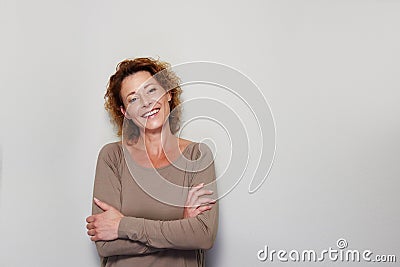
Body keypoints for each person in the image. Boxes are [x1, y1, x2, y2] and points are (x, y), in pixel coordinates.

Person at [85, 57, 219, 267]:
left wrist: (122, 225)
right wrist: (181, 228)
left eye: (151, 90)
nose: (146, 102)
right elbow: (105, 244)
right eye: (133, 99)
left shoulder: (197, 155)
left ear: (168, 93)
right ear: (125, 112)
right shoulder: (112, 157)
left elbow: (203, 235)